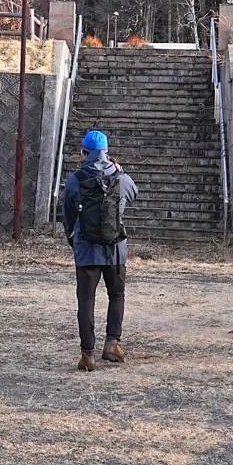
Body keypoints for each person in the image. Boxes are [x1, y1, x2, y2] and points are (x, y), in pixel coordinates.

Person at [61, 129, 138, 372]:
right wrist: (121, 171)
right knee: (116, 295)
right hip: (116, 249)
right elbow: (133, 194)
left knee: (86, 300)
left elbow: (68, 216)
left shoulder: (76, 180)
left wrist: (75, 241)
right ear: (106, 152)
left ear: (83, 152)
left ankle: (88, 355)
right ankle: (112, 345)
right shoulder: (121, 178)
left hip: (86, 251)